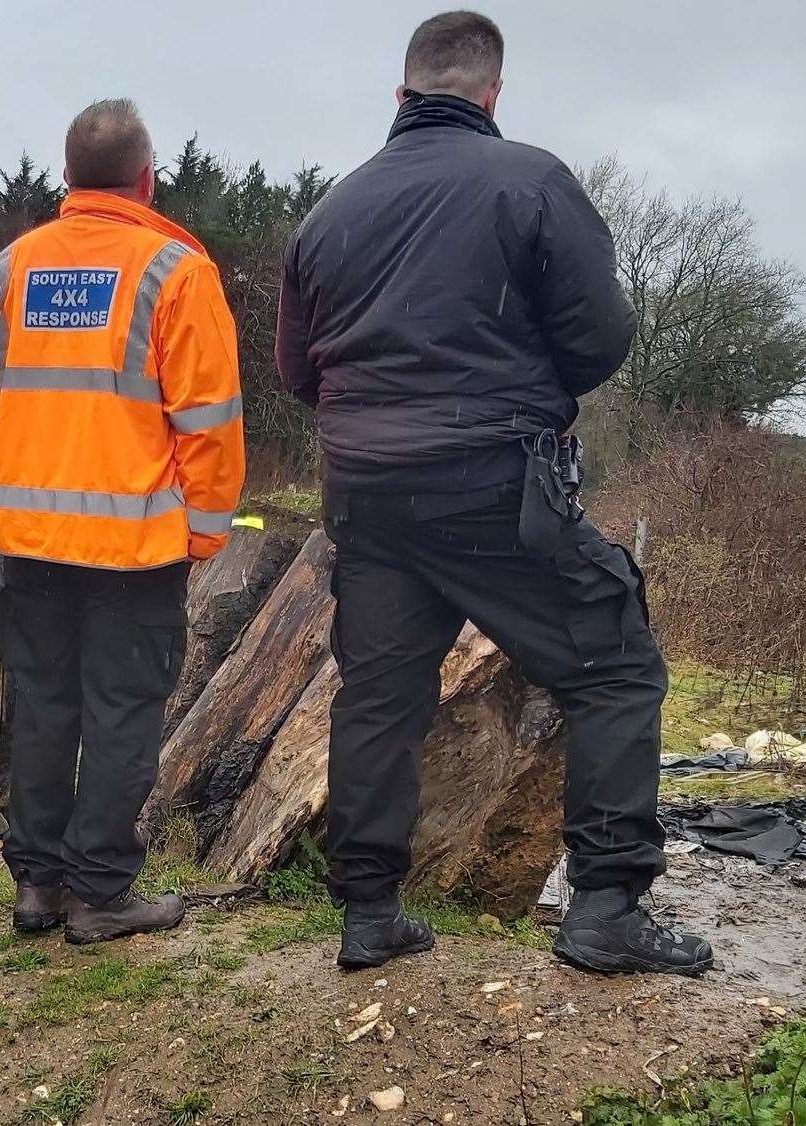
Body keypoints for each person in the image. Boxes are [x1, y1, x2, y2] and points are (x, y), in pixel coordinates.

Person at [276, 11, 712, 976]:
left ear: (400, 96)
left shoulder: (327, 214)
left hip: (366, 491)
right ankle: (603, 908)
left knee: (380, 696)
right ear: (491, 93)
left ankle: (367, 913)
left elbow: (298, 374)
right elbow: (599, 339)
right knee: (615, 667)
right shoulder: (532, 181)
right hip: (490, 482)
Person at [0, 99, 246, 945]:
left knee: (44, 707)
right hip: (135, 548)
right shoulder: (176, 271)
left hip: (29, 545)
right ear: (147, 179)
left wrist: (2, 501)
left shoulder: (6, 272)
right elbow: (210, 419)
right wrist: (204, 530)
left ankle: (37, 887)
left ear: (67, 180)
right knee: (122, 714)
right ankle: (100, 893)